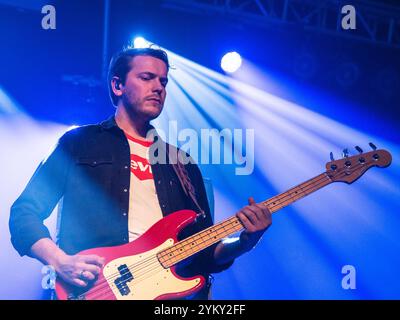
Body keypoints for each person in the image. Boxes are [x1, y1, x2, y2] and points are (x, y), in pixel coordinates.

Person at [9, 47, 272, 299]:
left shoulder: (182, 163)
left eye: (163, 82)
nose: (159, 87)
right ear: (117, 85)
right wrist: (60, 260)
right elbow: (24, 213)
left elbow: (204, 253)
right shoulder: (79, 142)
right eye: (147, 77)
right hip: (92, 291)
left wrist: (246, 241)